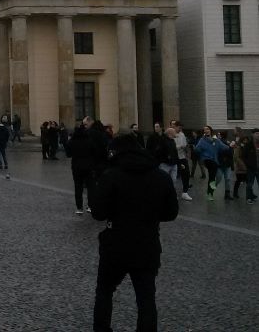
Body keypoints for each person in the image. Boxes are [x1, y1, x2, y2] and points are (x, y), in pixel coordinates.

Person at [90, 132, 178, 332]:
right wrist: (149, 217)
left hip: (116, 243)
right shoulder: (160, 176)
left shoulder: (111, 175)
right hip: (147, 242)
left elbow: (97, 213)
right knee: (146, 297)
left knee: (104, 291)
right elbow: (171, 212)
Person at [66, 122, 95, 215]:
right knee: (90, 187)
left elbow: (68, 154)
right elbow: (94, 152)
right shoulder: (90, 140)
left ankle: (79, 208)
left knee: (78, 187)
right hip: (88, 166)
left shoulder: (72, 141)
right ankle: (90, 206)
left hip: (76, 166)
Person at [193, 126, 229, 201]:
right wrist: (199, 149)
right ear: (204, 132)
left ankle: (210, 193)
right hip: (207, 160)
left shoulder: (216, 141)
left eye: (207, 129)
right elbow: (197, 149)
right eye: (204, 129)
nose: (206, 130)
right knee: (213, 166)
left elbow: (224, 147)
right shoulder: (202, 140)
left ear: (210, 130)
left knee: (212, 177)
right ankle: (211, 188)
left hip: (215, 161)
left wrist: (230, 145)